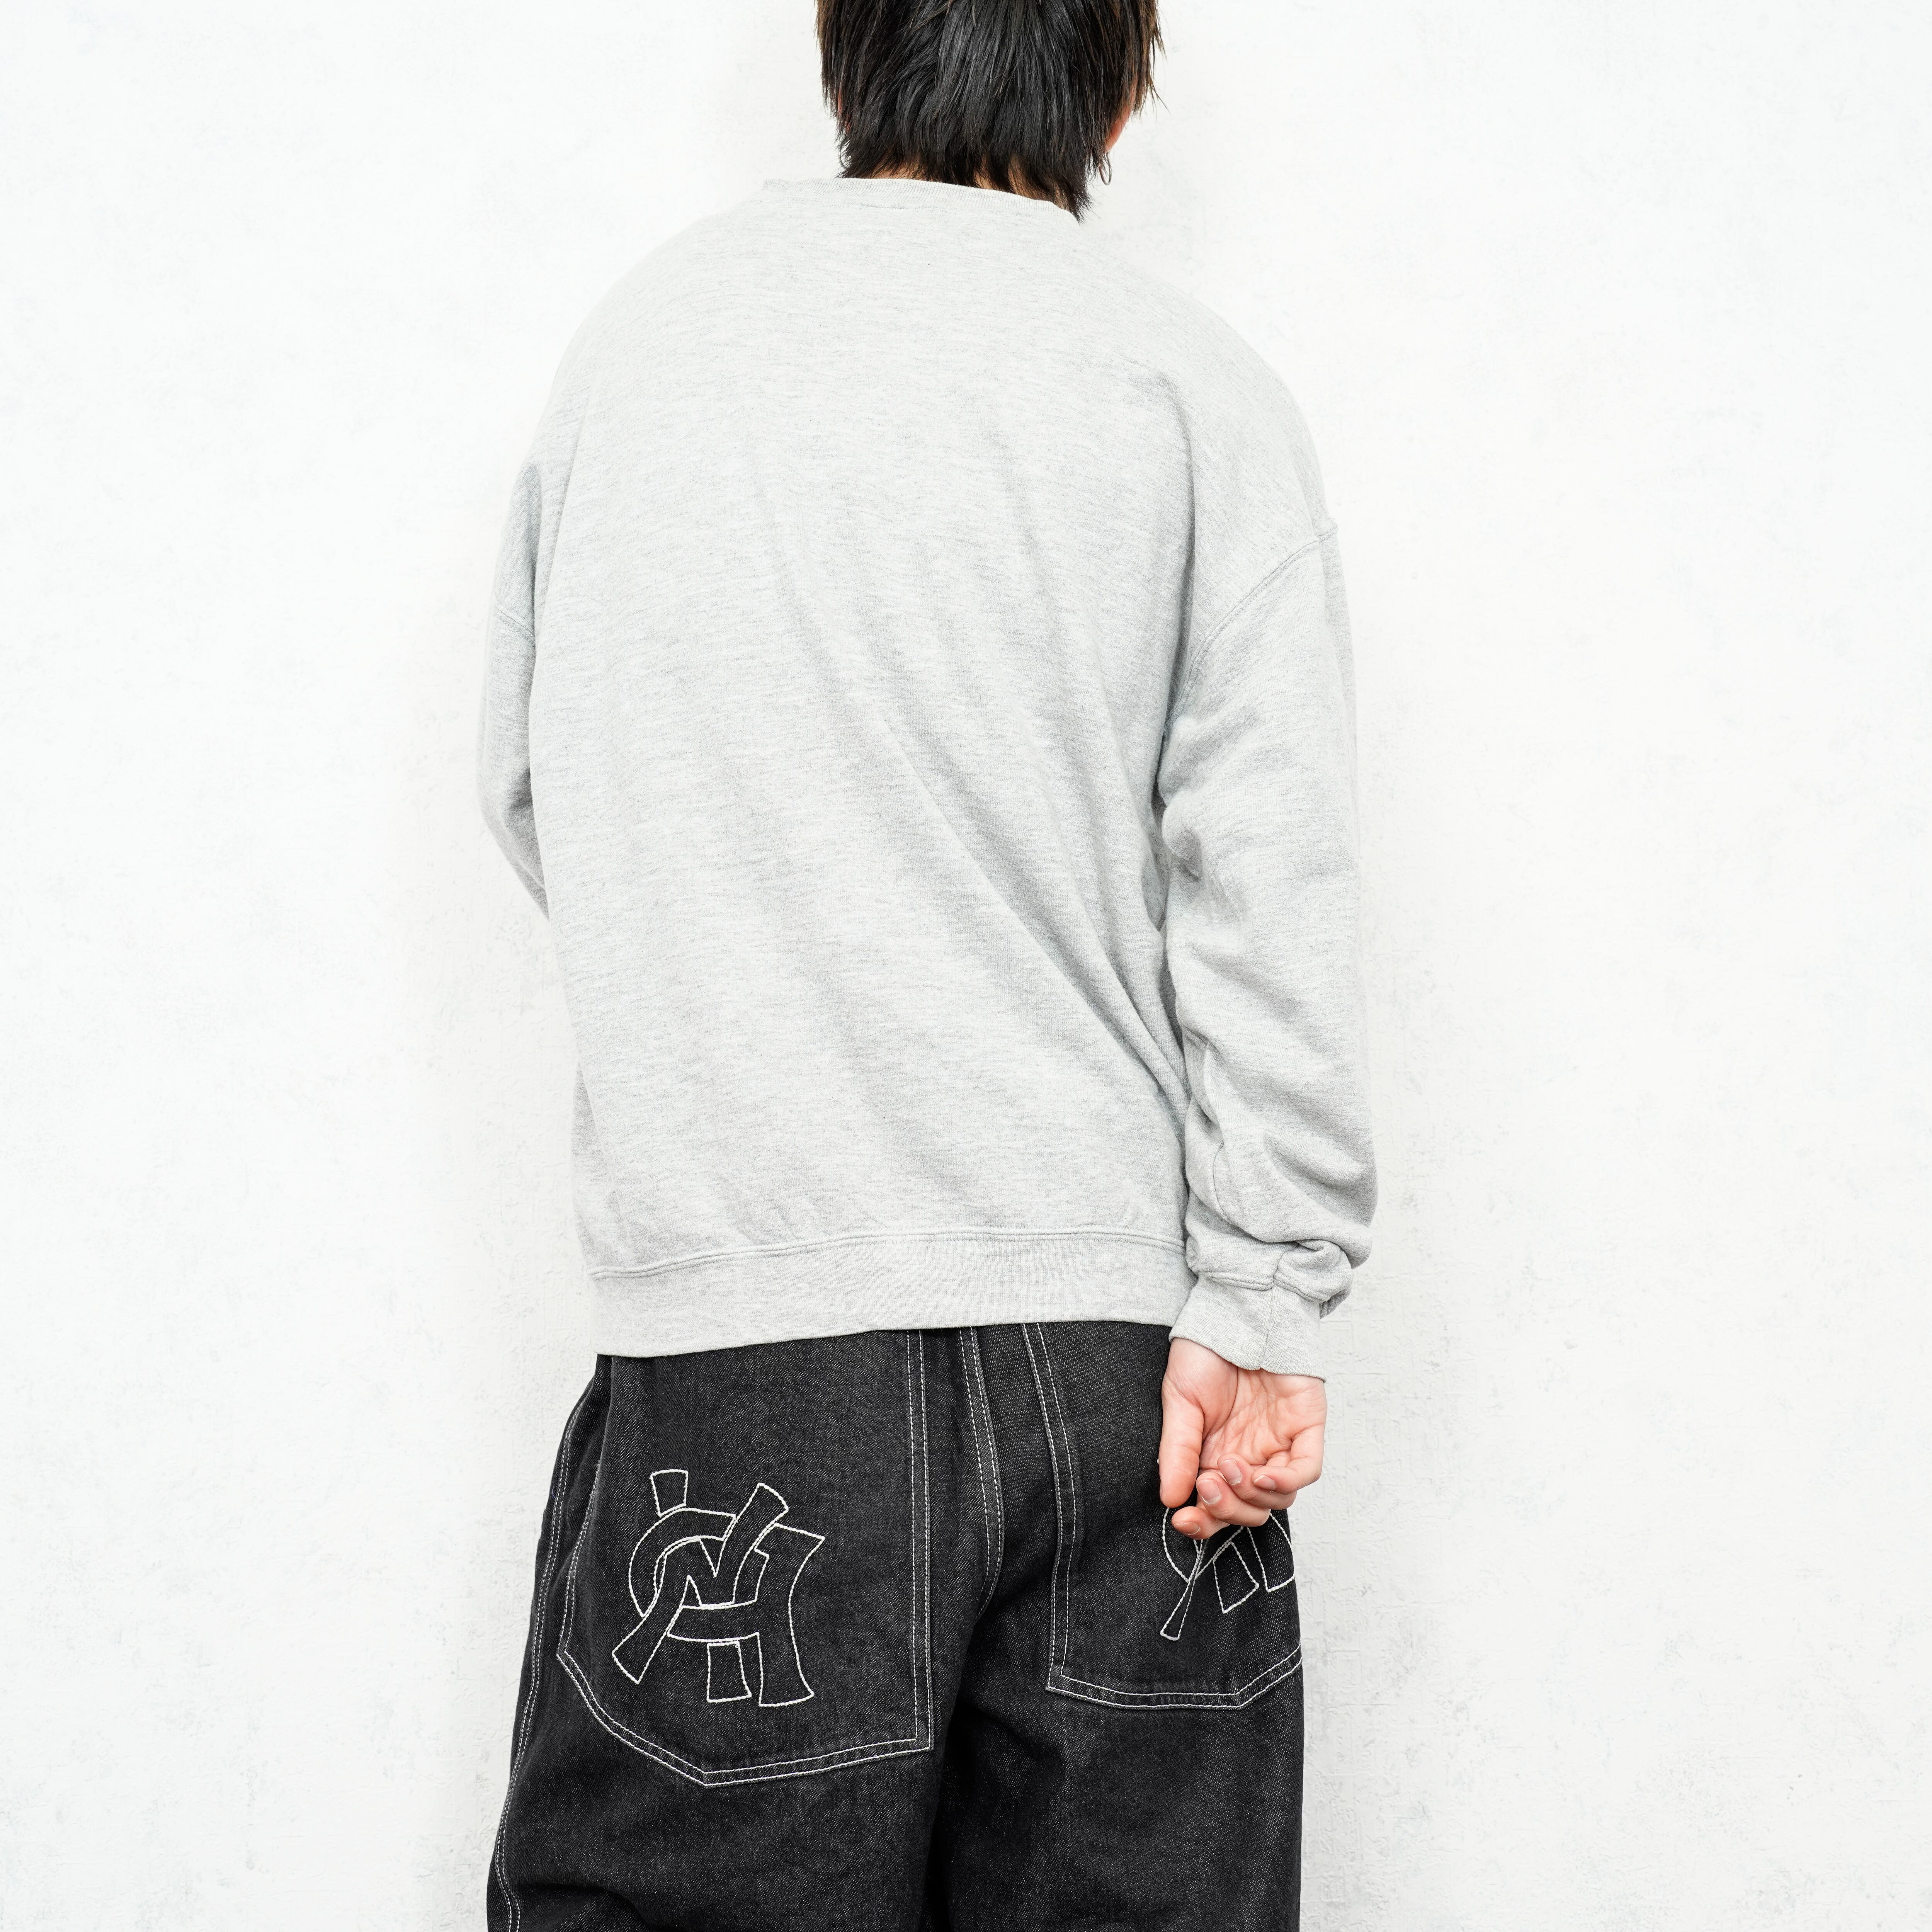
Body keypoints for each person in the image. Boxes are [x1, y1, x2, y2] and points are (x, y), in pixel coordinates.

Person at [475, 3, 1375, 1925]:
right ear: (1117, 84)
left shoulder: (649, 350)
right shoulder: (1190, 386)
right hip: (1130, 1374)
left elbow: (543, 786)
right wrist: (1269, 1296)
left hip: (749, 1351)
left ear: (846, 46)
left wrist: (750, 980)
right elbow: (1273, 880)